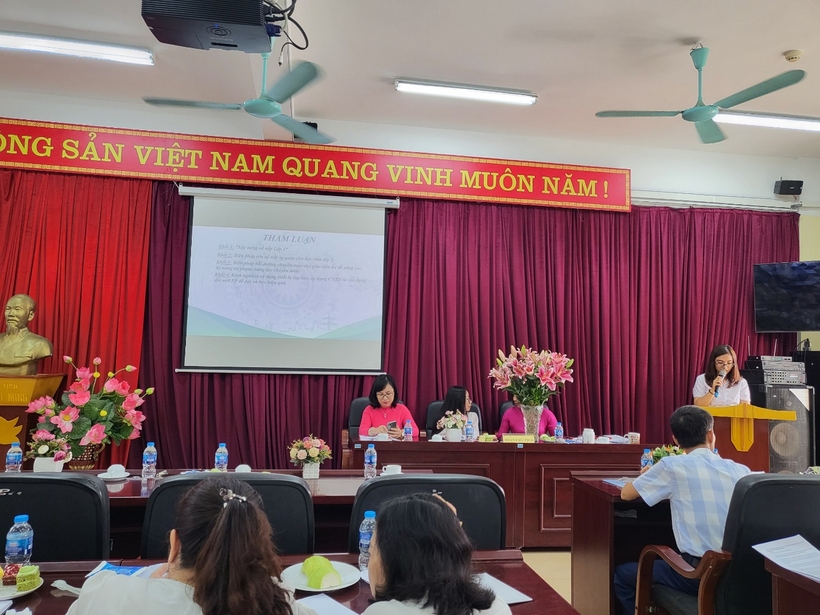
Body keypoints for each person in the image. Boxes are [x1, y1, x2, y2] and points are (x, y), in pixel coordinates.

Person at [66, 475, 316, 615]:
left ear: (174, 544)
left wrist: (147, 586)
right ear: (256, 548)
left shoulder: (105, 594)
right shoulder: (277, 604)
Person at [613, 405, 752, 615]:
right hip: (742, 575)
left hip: (698, 574)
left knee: (623, 574)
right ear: (710, 434)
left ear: (676, 440)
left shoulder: (671, 466)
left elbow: (626, 494)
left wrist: (648, 475)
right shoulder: (741, 470)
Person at [363, 493, 511, 615]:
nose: (369, 565)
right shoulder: (497, 607)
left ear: (396, 559)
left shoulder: (380, 612)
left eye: (371, 552)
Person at [0, 294, 53, 375]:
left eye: (17, 309)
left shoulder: (41, 344)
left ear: (30, 315)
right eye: (8, 309)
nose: (11, 314)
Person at [359, 374, 419, 440]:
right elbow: (361, 431)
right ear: (375, 395)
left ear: (394, 393)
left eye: (388, 394)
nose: (385, 398)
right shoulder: (369, 410)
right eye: (381, 394)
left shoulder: (402, 409)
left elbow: (416, 430)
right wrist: (374, 430)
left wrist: (401, 432)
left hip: (395, 445)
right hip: (376, 445)